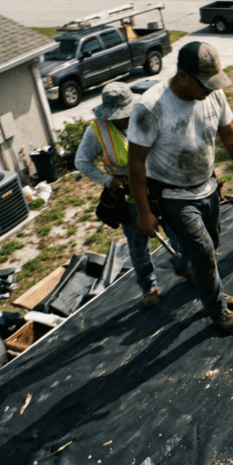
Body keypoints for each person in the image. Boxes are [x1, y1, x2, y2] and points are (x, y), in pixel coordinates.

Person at [127, 41, 233, 334]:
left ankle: (196, 273)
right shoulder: (151, 106)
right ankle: (217, 310)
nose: (210, 90)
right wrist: (143, 212)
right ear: (184, 76)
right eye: (204, 84)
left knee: (211, 245)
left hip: (208, 187)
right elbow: (135, 163)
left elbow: (228, 133)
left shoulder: (212, 95)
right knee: (203, 251)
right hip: (173, 194)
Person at [74, 82, 172, 309]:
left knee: (175, 227)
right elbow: (81, 161)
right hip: (129, 197)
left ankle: (184, 263)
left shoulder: (148, 115)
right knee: (138, 243)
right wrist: (108, 180)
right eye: (119, 116)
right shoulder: (97, 130)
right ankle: (148, 286)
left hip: (160, 187)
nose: (124, 119)